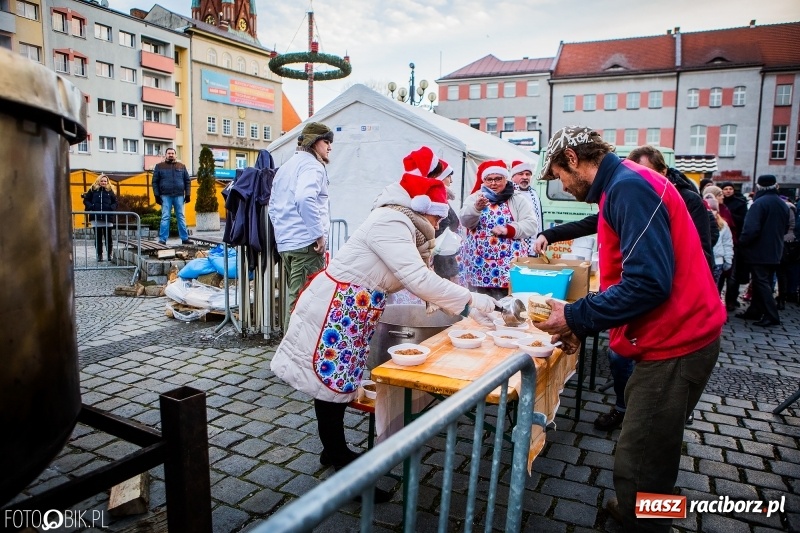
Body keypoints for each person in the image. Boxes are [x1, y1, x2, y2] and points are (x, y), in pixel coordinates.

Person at [270, 161, 498, 503]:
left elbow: (419, 275)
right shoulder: (391, 221)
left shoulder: (404, 223)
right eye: (438, 217)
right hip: (338, 308)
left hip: (352, 307)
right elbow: (417, 278)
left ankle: (333, 451)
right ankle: (342, 466)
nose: (438, 224)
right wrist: (472, 300)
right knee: (330, 386)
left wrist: (444, 300)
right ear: (424, 208)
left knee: (337, 384)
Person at [534, 126, 726, 532]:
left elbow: (647, 283)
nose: (563, 187)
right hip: (674, 334)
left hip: (678, 340)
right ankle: (647, 513)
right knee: (657, 448)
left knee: (641, 457)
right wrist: (583, 323)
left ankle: (645, 523)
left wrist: (573, 316)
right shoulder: (622, 185)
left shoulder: (628, 187)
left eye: (559, 175)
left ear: (572, 158)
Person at [268, 122, 333, 329]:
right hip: (306, 245)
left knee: (298, 299)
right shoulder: (313, 166)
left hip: (288, 244)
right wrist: (318, 235)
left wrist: (283, 235)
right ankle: (292, 358)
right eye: (326, 141)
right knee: (304, 305)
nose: (330, 147)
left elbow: (273, 207)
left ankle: (294, 355)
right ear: (314, 143)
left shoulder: (286, 167)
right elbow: (305, 198)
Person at [627, 145, 717, 273]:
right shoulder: (637, 198)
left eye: (645, 173)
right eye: (634, 174)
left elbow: (703, 250)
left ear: (663, 171)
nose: (639, 180)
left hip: (680, 278)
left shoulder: (689, 200)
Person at [459, 160, 538, 300]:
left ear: (505, 179)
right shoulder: (474, 198)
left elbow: (531, 224)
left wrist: (508, 229)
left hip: (508, 265)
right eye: (489, 179)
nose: (493, 183)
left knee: (507, 303)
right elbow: (465, 221)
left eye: (498, 179)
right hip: (479, 265)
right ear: (483, 180)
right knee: (481, 304)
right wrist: (476, 209)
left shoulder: (517, 198)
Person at [735, 175, 789, 327]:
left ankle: (771, 315)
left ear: (759, 186)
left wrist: (742, 243)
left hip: (759, 251)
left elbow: (751, 229)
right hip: (775, 250)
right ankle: (755, 310)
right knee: (762, 282)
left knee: (761, 283)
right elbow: (785, 228)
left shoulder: (759, 203)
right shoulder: (782, 204)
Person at [152, 147, 191, 246]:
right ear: (165, 155)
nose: (170, 155)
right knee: (165, 217)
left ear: (175, 155)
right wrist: (157, 195)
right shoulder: (159, 166)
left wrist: (188, 194)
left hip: (179, 196)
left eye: (172, 153)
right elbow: (155, 182)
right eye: (169, 153)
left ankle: (185, 238)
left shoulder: (181, 166)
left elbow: (187, 181)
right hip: (165, 196)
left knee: (181, 217)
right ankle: (162, 239)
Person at [720, 181, 749, 310]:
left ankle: (731, 300)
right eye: (725, 189)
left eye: (730, 188)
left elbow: (743, 220)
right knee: (720, 274)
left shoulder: (740, 203)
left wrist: (728, 215)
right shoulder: (719, 203)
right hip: (721, 242)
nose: (728, 191)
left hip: (734, 241)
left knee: (733, 275)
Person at [431, 159, 461, 280]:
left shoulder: (442, 198)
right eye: (449, 176)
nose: (451, 181)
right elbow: (445, 226)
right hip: (439, 261)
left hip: (444, 259)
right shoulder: (435, 200)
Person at [509, 160, 544, 250]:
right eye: (520, 174)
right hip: (516, 246)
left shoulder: (534, 193)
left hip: (534, 245)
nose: (525, 177)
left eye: (527, 174)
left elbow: (538, 219)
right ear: (513, 176)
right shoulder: (508, 193)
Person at [83, 174, 117, 262]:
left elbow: (115, 202)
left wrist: (111, 207)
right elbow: (86, 200)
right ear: (98, 181)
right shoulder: (93, 190)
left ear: (107, 182)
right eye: (102, 181)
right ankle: (99, 255)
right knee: (98, 238)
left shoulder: (110, 191)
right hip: (96, 217)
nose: (103, 182)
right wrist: (91, 206)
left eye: (105, 181)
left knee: (108, 238)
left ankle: (109, 254)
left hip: (107, 217)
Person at [705, 195, 734, 287]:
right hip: (706, 261)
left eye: (714, 209)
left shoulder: (723, 225)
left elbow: (727, 243)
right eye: (709, 209)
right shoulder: (702, 223)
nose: (712, 212)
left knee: (715, 286)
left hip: (718, 261)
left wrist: (728, 259)